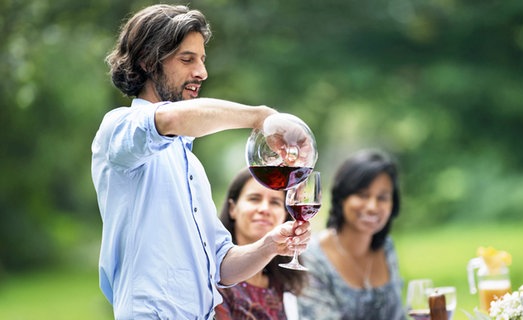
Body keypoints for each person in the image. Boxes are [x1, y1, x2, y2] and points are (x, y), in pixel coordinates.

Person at [91, 4, 311, 319]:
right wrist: (261, 117)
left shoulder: (189, 164)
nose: (202, 72)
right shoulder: (120, 129)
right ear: (147, 62)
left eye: (202, 60)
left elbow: (222, 265)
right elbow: (172, 119)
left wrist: (270, 245)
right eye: (187, 59)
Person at [297, 149, 406, 320]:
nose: (372, 206)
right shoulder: (313, 257)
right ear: (342, 198)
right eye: (362, 195)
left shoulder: (386, 247)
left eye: (382, 197)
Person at [215, 168, 307, 320]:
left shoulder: (284, 283)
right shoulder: (215, 278)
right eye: (254, 198)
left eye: (275, 202)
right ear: (233, 209)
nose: (264, 209)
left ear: (285, 214)